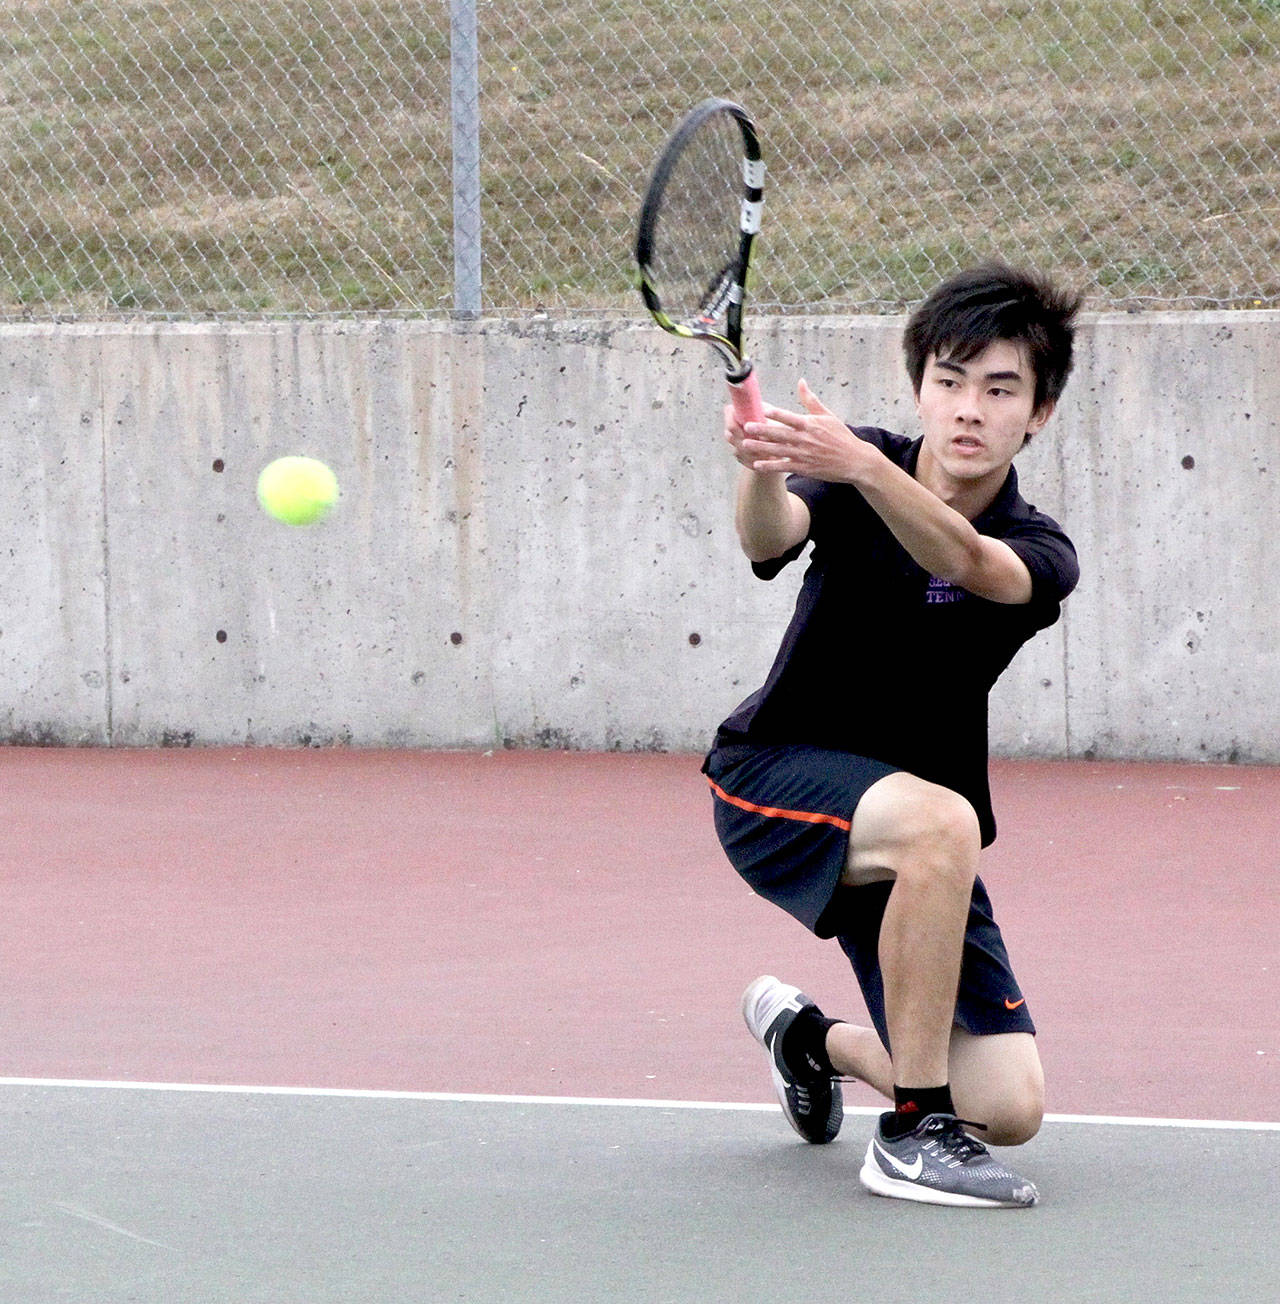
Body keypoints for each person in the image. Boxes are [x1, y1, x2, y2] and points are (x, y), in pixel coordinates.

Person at [703, 262, 1081, 1208]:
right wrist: (759, 468)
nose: (968, 409)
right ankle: (912, 1133)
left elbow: (962, 557)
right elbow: (768, 538)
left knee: (1009, 1104)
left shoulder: (1040, 551)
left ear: (1038, 413)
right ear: (920, 386)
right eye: (949, 381)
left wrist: (864, 468)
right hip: (777, 778)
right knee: (942, 822)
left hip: (916, 834)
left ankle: (809, 1040)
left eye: (1001, 390)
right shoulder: (856, 467)